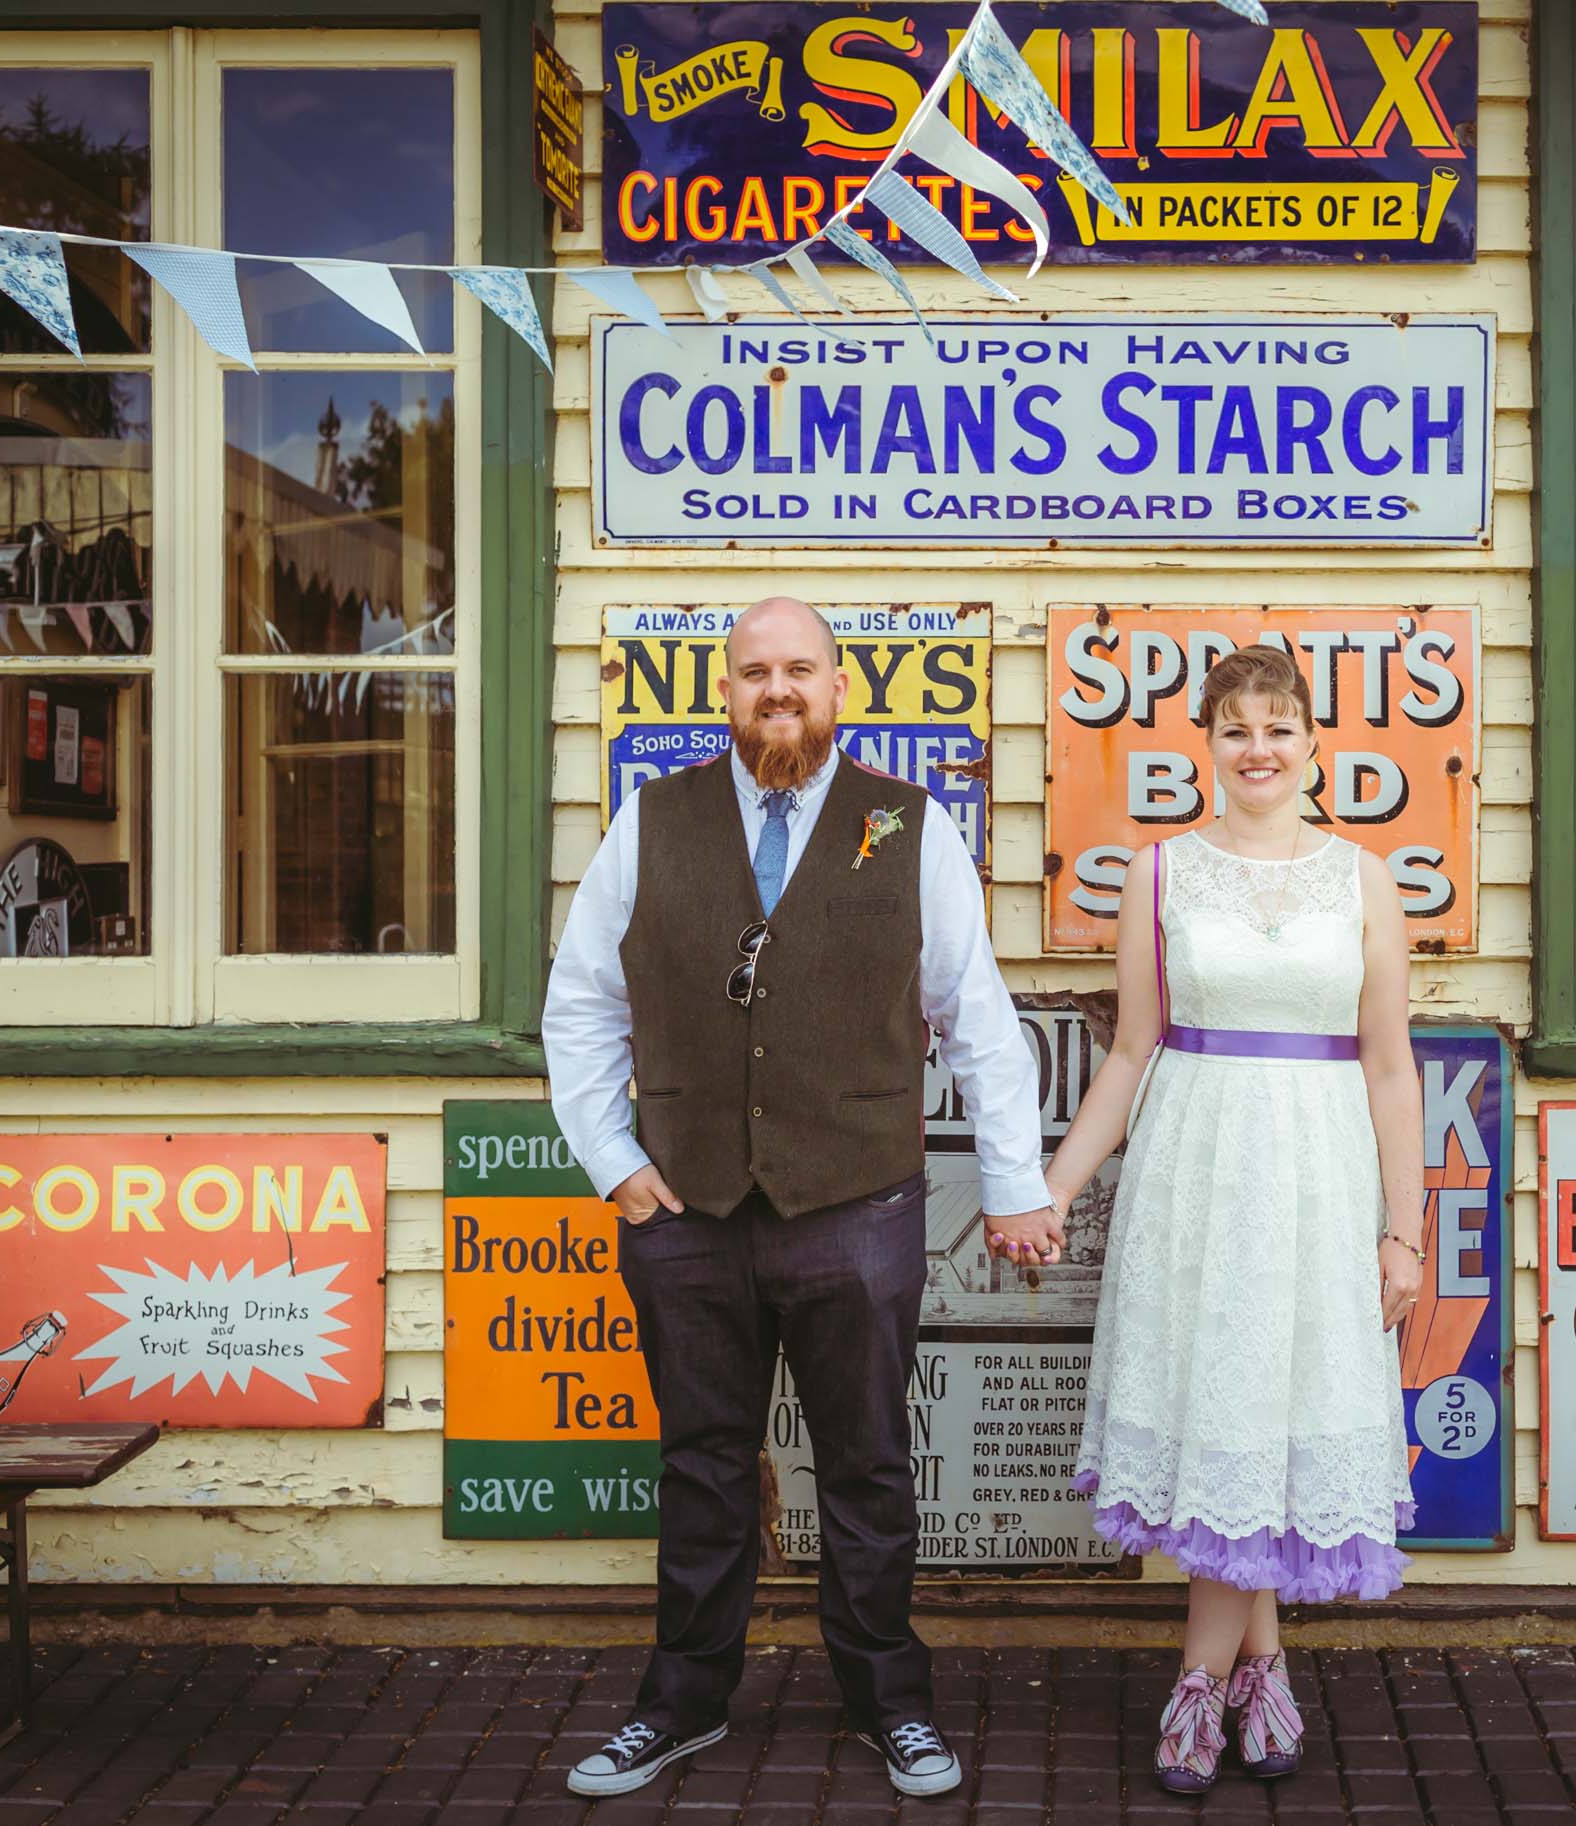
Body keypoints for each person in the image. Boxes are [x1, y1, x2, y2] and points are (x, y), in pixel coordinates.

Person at [541, 597, 1061, 1800]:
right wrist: (614, 1162)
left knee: (870, 1465)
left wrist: (1012, 1180)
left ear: (839, 688)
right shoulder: (648, 822)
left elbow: (975, 1019)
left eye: (800, 669)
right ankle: (679, 1703)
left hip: (857, 1206)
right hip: (688, 1213)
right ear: (725, 692)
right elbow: (580, 1005)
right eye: (754, 671)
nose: (778, 689)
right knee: (704, 1465)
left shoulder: (908, 825)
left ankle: (893, 1704)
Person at [1039, 644, 1423, 1795]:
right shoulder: (1160, 874)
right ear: (1205, 745)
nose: (1258, 747)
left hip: (1315, 1175)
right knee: (1229, 1415)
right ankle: (1256, 1673)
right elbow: (1128, 1051)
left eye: (1279, 725)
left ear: (1315, 743)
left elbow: (1392, 1066)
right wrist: (1051, 1187)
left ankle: (1200, 1683)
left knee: (1266, 1415)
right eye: (1235, 728)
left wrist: (1401, 1228)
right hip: (1196, 1175)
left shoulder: (1364, 879)